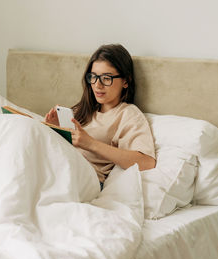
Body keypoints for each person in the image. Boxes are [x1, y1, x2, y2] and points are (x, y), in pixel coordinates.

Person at [45, 44, 156, 185]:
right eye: (94, 77)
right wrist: (56, 131)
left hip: (85, 177)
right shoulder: (82, 110)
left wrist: (90, 143)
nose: (97, 85)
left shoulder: (128, 114)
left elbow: (146, 162)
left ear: (126, 81)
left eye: (106, 78)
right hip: (60, 166)